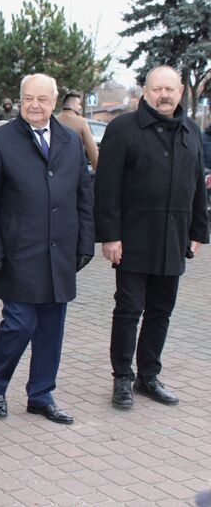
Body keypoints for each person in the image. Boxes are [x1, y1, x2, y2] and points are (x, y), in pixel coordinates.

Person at [0, 73, 94, 426]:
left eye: (42, 99)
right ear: (20, 98)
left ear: (54, 102)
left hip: (61, 253)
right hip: (18, 253)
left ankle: (41, 395)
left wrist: (86, 241)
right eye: (28, 97)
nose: (34, 105)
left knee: (50, 327)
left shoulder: (71, 140)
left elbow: (84, 195)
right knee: (19, 323)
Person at [94, 65, 209, 409]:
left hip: (173, 240)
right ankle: (122, 379)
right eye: (157, 89)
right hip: (133, 240)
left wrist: (199, 231)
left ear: (179, 92)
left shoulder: (190, 131)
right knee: (129, 310)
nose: (164, 95)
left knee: (161, 311)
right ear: (145, 92)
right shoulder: (123, 129)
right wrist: (110, 236)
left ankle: (148, 376)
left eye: (170, 89)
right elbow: (107, 187)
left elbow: (196, 187)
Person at [56, 92, 99, 171]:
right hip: (74, 170)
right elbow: (93, 152)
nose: (80, 107)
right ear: (73, 104)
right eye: (79, 104)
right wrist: (97, 169)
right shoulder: (81, 122)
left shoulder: (53, 121)